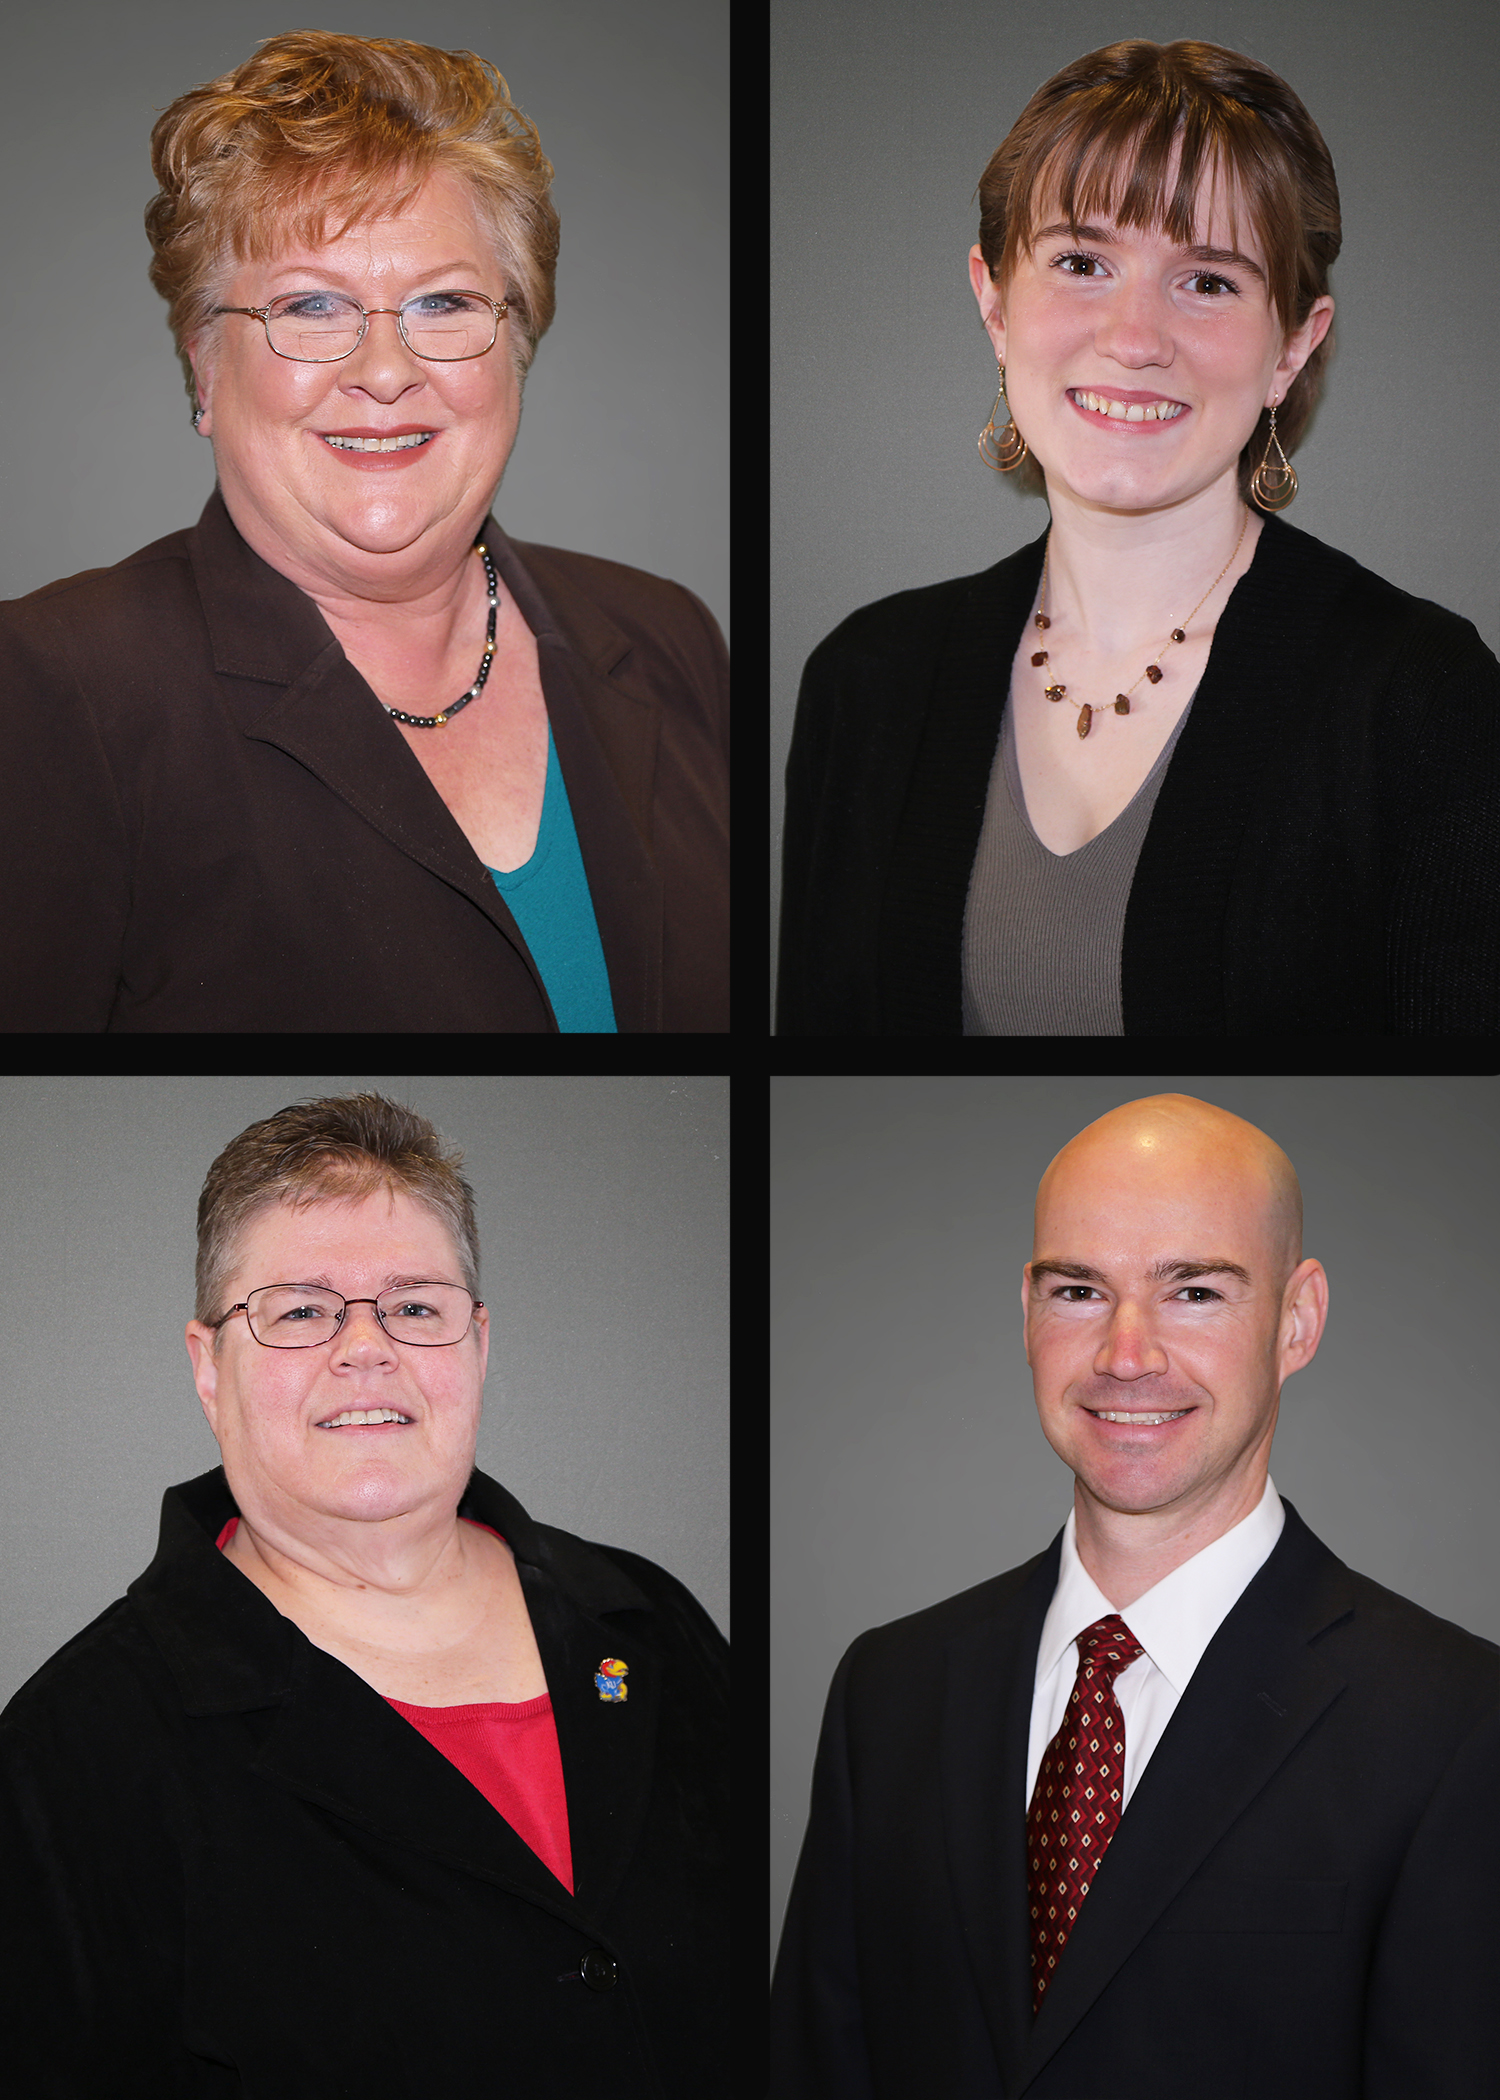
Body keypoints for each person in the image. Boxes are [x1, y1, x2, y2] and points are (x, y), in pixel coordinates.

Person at [771, 1093, 1499, 2095]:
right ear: (1025, 1311)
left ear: (1298, 1319)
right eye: (1079, 1291)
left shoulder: (1456, 1721)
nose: (1125, 1354)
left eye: (1193, 1292)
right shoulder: (888, 1689)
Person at [0, 1093, 729, 2093]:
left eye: (415, 1306)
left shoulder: (653, 1626)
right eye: (300, 1310)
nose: (365, 1348)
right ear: (209, 1368)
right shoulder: (71, 1752)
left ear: (479, 1345)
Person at [0, 33, 728, 1032]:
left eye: (443, 302)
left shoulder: (665, 635)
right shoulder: (50, 687)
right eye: (310, 306)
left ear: (518, 348)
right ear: (205, 366)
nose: (385, 368)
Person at [776, 39, 1500, 1035]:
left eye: (1207, 282)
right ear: (994, 302)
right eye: (1081, 261)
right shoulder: (864, 684)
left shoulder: (1423, 697)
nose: (1133, 337)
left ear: (1294, 343)